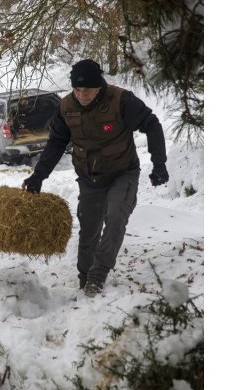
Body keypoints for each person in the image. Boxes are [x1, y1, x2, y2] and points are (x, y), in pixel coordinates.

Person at [21, 59, 168, 296]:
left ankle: (98, 275)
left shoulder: (120, 100)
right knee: (89, 229)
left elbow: (151, 124)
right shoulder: (66, 106)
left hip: (123, 172)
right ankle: (85, 276)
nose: (81, 95)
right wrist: (39, 176)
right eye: (77, 90)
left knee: (116, 216)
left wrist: (159, 164)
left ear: (99, 86)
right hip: (90, 178)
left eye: (86, 90)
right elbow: (57, 142)